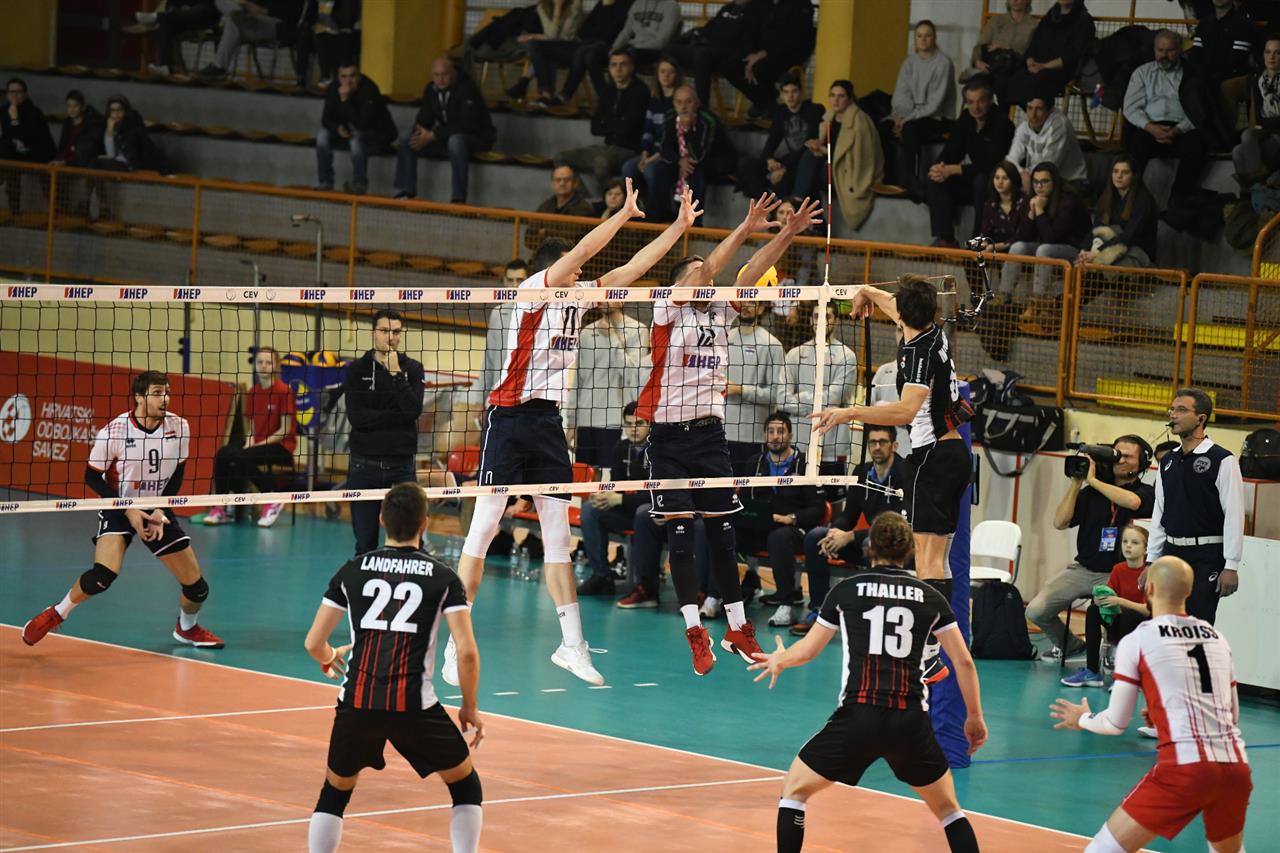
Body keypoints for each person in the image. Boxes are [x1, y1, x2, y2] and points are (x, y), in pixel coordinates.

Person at [447, 180, 699, 688]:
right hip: (508, 419)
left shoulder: (578, 299)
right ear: (554, 269)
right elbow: (583, 250)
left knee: (559, 538)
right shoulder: (533, 291)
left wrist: (678, 227)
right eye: (573, 268)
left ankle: (572, 646)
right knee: (483, 530)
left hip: (548, 425)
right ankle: (456, 644)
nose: (582, 272)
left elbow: (633, 270)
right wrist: (623, 215)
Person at [636, 192, 822, 675]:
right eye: (699, 273)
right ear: (683, 281)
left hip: (710, 436)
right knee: (680, 535)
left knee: (722, 532)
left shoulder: (720, 309)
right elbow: (712, 269)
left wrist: (786, 232)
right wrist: (742, 227)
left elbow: (749, 274)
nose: (709, 277)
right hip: (668, 438)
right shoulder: (667, 308)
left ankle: (738, 627)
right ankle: (695, 632)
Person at [749, 512, 987, 853]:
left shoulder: (845, 591)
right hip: (909, 720)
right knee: (950, 811)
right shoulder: (931, 597)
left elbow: (809, 650)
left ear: (869, 546)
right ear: (909, 549)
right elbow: (963, 662)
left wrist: (780, 659)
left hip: (859, 715)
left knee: (794, 792)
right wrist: (974, 717)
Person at [302, 482, 484, 853]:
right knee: (465, 787)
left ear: (382, 520)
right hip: (414, 707)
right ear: (425, 522)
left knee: (335, 793)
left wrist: (329, 655)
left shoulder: (353, 570)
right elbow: (466, 652)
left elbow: (313, 643)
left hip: (357, 702)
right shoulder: (443, 577)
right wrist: (469, 707)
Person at [810, 275, 974, 685]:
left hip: (933, 459)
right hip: (952, 456)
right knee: (939, 560)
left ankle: (930, 655)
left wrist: (849, 413)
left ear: (904, 314)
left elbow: (904, 412)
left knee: (929, 562)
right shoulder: (931, 330)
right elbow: (892, 304)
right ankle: (936, 651)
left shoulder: (917, 353)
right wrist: (867, 292)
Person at [1049, 557, 1252, 853]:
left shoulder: (1140, 639)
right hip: (1235, 768)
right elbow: (1230, 715)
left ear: (1150, 588)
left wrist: (1081, 718)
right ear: (1189, 591)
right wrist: (1165, 713)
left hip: (1185, 768)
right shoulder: (1217, 638)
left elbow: (1115, 723)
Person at [21, 371, 225, 650]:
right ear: (139, 397)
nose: (165, 398)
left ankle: (187, 629)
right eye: (157, 393)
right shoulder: (114, 432)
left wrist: (160, 509)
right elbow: (92, 477)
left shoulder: (180, 427)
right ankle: (58, 613)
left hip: (155, 506)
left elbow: (178, 472)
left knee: (197, 588)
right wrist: (127, 508)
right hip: (118, 505)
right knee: (102, 576)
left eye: (167, 392)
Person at [1026, 434, 1155, 660]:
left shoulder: (1145, 492)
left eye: (1128, 456)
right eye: (1117, 455)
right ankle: (1071, 645)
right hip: (1083, 569)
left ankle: (1113, 653)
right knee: (1036, 610)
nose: (1120, 460)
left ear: (1141, 463)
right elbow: (1060, 522)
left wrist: (1093, 480)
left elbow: (1133, 502)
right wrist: (1077, 484)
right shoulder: (1090, 493)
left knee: (1107, 614)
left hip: (1118, 573)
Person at [792, 425, 913, 635]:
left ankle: (869, 613)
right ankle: (820, 609)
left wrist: (850, 536)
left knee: (871, 544)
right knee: (815, 538)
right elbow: (849, 515)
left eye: (882, 442)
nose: (877, 447)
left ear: (894, 445)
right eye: (873, 442)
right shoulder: (862, 472)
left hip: (896, 547)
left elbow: (897, 527)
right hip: (865, 541)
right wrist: (835, 532)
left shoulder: (905, 473)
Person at [1146, 388, 1244, 624]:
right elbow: (1160, 512)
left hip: (1206, 556)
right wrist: (1151, 560)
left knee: (1197, 624)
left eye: (1181, 410)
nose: (1173, 415)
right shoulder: (1167, 460)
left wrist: (1231, 565)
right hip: (1170, 552)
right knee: (1163, 622)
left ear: (1201, 418)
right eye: (1172, 409)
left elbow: (1234, 514)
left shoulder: (1223, 460)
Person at [343, 309, 426, 556]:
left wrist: (396, 374)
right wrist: (396, 416)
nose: (391, 337)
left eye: (396, 332)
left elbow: (413, 411)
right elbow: (356, 418)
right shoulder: (357, 369)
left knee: (409, 543)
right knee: (365, 545)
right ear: (373, 333)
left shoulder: (413, 368)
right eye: (384, 331)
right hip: (364, 466)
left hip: (401, 467)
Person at [734, 411, 826, 629]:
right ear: (764, 435)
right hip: (759, 528)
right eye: (771, 432)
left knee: (778, 537)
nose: (775, 436)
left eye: (781, 431)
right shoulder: (755, 462)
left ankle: (786, 604)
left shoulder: (806, 464)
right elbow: (744, 500)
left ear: (790, 435)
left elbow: (818, 509)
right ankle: (719, 595)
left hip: (794, 531)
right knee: (724, 531)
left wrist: (791, 518)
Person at [204, 346, 296, 528]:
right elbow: (252, 426)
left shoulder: (283, 391)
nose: (264, 366)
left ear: (276, 366)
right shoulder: (253, 392)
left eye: (268, 362)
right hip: (258, 444)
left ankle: (272, 497)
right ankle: (220, 507)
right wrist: (250, 440)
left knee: (241, 458)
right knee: (223, 454)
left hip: (281, 446)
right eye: (260, 362)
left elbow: (285, 430)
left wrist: (258, 444)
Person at [999, 161, 1091, 332]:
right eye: (1035, 182)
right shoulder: (1033, 199)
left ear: (1054, 182)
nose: (1039, 186)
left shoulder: (1068, 201)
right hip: (1048, 247)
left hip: (1074, 251)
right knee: (1018, 247)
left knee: (1044, 249)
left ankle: (1037, 304)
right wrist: (1031, 214)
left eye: (1044, 181)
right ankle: (1004, 298)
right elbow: (1022, 236)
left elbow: (1051, 238)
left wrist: (1040, 211)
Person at [1122, 30, 1211, 204]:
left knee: (1197, 147)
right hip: (1149, 128)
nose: (1164, 55)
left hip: (1180, 130)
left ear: (1180, 50)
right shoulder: (1141, 73)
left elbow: (1199, 111)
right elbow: (1131, 107)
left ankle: (1178, 201)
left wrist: (1177, 130)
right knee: (1134, 147)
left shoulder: (1192, 74)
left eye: (1170, 50)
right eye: (1160, 50)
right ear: (1154, 50)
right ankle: (1130, 201)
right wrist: (1150, 128)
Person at [924, 79, 1015, 248]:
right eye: (971, 102)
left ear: (990, 101)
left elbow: (992, 163)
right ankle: (947, 239)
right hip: (972, 180)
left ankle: (978, 241)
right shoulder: (966, 119)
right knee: (935, 178)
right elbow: (951, 150)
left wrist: (956, 169)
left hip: (997, 183)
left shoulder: (1003, 123)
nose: (975, 107)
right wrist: (939, 167)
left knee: (982, 180)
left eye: (980, 101)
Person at [393, 57, 495, 204]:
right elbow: (424, 118)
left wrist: (434, 135)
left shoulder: (468, 89)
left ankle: (458, 198)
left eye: (444, 74)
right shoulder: (431, 89)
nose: (440, 79)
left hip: (476, 138)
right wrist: (420, 134)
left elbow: (466, 124)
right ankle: (406, 191)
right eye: (436, 75)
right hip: (445, 137)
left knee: (456, 141)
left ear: (452, 73)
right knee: (406, 139)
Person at [1062, 524, 1151, 687]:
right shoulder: (1118, 569)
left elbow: (1148, 610)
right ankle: (1092, 671)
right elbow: (1110, 597)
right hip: (1119, 623)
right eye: (1125, 541)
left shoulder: (1149, 573)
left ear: (1146, 549)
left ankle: (1125, 677)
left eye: (1134, 542)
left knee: (1129, 614)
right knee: (1093, 610)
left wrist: (1120, 601)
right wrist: (1100, 600)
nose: (1128, 546)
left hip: (1141, 628)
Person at [566, 296, 649, 467]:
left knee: (612, 475)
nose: (603, 300)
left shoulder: (637, 330)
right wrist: (572, 422)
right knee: (586, 477)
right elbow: (578, 381)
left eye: (609, 295)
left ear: (622, 300)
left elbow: (631, 374)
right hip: (586, 420)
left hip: (616, 421)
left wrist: (612, 337)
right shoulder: (586, 332)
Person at [576, 402, 649, 596]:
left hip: (650, 514)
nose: (633, 429)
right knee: (590, 509)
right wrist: (604, 495)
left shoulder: (659, 451)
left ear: (650, 424)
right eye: (628, 424)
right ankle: (602, 576)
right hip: (626, 511)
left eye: (639, 424)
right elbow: (617, 485)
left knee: (643, 514)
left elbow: (656, 495)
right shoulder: (620, 448)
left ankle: (645, 585)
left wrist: (620, 500)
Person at [779, 302, 858, 482]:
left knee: (833, 498)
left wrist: (799, 398)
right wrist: (820, 403)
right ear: (810, 320)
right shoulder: (795, 354)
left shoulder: (847, 357)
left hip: (832, 447)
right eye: (816, 316)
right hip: (798, 446)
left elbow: (834, 399)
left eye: (827, 317)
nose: (821, 321)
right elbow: (782, 400)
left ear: (836, 321)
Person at [556, 48, 649, 197]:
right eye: (614, 65)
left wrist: (608, 123)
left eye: (623, 64)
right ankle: (583, 200)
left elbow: (627, 129)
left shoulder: (640, 91)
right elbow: (595, 127)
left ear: (631, 67)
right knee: (561, 157)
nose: (618, 69)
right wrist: (615, 124)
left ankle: (609, 202)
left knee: (601, 162)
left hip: (629, 149)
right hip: (608, 146)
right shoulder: (609, 90)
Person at [792, 80, 883, 230]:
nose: (836, 100)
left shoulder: (860, 121)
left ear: (850, 99)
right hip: (830, 169)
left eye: (841, 96)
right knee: (809, 161)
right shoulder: (829, 117)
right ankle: (808, 215)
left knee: (810, 173)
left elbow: (862, 159)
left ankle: (799, 206)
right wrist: (817, 145)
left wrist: (825, 151)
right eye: (832, 95)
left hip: (850, 174)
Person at [883, 20, 956, 193]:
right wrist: (898, 118)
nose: (923, 39)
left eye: (927, 35)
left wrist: (906, 120)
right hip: (910, 116)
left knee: (910, 129)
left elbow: (934, 105)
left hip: (937, 118)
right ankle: (889, 179)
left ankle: (910, 180)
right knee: (883, 127)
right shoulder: (909, 63)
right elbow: (900, 95)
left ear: (934, 38)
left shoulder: (943, 63)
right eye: (919, 36)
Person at [645, 84, 732, 220]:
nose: (683, 107)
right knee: (658, 170)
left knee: (696, 170)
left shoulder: (707, 120)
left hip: (713, 162)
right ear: (674, 103)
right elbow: (665, 149)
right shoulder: (670, 117)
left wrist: (688, 130)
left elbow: (700, 155)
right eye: (679, 102)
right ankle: (659, 218)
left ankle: (693, 221)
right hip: (681, 161)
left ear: (696, 103)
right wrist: (680, 161)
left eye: (688, 102)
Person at [527, 0, 632, 107]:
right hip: (583, 44)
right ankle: (546, 93)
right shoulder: (602, 3)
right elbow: (584, 31)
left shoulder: (626, 4)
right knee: (536, 45)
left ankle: (565, 96)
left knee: (586, 52)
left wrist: (607, 8)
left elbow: (611, 35)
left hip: (607, 48)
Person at [737, 73, 824, 201]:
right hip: (787, 161)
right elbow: (769, 146)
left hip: (805, 162)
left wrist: (784, 167)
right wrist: (769, 160)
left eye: (794, 91)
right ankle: (769, 206)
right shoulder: (781, 114)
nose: (790, 96)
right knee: (746, 165)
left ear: (801, 93)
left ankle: (779, 205)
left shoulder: (813, 110)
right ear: (781, 95)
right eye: (786, 92)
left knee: (781, 184)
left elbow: (808, 146)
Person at [725, 292, 786, 475]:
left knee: (749, 490)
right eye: (742, 300)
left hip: (753, 438)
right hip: (720, 435)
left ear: (761, 308)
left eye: (751, 301)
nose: (745, 305)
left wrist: (741, 390)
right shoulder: (723, 338)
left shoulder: (772, 345)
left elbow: (776, 395)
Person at [317, 61, 398, 195]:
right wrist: (337, 128)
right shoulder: (334, 88)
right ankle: (325, 182)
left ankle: (359, 184)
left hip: (377, 134)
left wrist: (346, 100)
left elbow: (362, 124)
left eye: (352, 76)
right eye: (343, 77)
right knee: (322, 135)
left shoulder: (369, 89)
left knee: (356, 137)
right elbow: (326, 119)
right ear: (338, 77)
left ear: (359, 76)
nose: (348, 81)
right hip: (348, 131)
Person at [662, 0, 753, 112]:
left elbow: (744, 38)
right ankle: (668, 102)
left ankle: (702, 110)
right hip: (705, 47)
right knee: (669, 49)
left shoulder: (755, 11)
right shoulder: (728, 8)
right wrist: (699, 35)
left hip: (727, 53)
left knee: (702, 56)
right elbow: (710, 26)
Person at [735, 0, 818, 119]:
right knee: (730, 65)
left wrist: (765, 53)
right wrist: (750, 55)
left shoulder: (801, 4)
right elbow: (748, 33)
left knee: (760, 67)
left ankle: (767, 106)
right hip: (758, 56)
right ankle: (763, 102)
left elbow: (796, 38)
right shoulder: (758, 4)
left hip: (788, 56)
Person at [1006, 0, 1095, 107]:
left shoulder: (1084, 20)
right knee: (1012, 79)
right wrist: (1030, 62)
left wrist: (1045, 66)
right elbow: (1035, 42)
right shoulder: (1049, 17)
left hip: (1062, 70)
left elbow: (1074, 54)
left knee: (1037, 82)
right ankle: (1025, 114)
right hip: (1038, 67)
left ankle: (1041, 114)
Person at [1077, 154, 1158, 269]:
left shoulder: (1143, 201)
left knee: (1100, 269)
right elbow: (1096, 230)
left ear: (1134, 176)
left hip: (1136, 252)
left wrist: (1096, 252)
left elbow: (1128, 237)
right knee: (1082, 264)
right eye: (1115, 171)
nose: (1119, 176)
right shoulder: (1106, 198)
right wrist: (1084, 249)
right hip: (1107, 249)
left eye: (1125, 172)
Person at [593, 0, 681, 100]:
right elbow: (626, 31)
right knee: (609, 55)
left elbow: (662, 41)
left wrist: (633, 47)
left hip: (655, 50)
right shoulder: (638, 4)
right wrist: (615, 48)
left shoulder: (671, 6)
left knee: (626, 57)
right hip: (635, 48)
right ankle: (609, 98)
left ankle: (627, 98)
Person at [1185, 0, 1256, 123]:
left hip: (1232, 75)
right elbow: (1196, 55)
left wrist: (1209, 76)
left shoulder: (1243, 24)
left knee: (1213, 87)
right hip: (1206, 76)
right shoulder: (1205, 23)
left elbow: (1236, 59)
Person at [619, 56, 681, 195]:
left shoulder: (679, 102)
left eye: (670, 72)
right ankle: (637, 204)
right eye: (662, 71)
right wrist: (644, 155)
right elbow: (648, 131)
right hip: (652, 152)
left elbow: (673, 140)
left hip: (669, 154)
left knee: (650, 171)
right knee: (628, 168)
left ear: (677, 75)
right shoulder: (654, 101)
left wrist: (650, 160)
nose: (666, 75)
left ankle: (654, 206)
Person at [502, 0, 587, 100]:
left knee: (542, 49)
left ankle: (527, 83)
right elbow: (551, 35)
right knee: (540, 48)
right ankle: (544, 93)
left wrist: (558, 7)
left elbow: (564, 36)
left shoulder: (575, 4)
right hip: (552, 48)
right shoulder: (542, 6)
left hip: (572, 49)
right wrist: (557, 9)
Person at [200, 0, 304, 79]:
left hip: (277, 24)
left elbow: (295, 14)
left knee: (233, 20)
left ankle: (219, 67)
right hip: (252, 20)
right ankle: (238, 15)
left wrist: (263, 11)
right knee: (224, 5)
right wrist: (247, 5)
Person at [1006, 96, 1088, 195]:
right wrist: (1022, 173)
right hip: (1035, 177)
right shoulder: (1024, 124)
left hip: (1069, 181)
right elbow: (1011, 160)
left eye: (1039, 109)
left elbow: (1047, 167)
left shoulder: (1059, 124)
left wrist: (1026, 176)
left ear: (1049, 110)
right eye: (1029, 108)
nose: (1033, 115)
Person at [962, 0, 1035, 103]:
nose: (1015, 0)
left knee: (1005, 83)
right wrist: (977, 61)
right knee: (976, 85)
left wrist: (1006, 48)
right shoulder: (996, 21)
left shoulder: (1033, 25)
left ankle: (1001, 111)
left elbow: (1032, 53)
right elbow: (980, 45)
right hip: (991, 66)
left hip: (1016, 68)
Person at [1, 77, 56, 214]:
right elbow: (7, 138)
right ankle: (14, 211)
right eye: (11, 92)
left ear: (25, 94)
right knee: (8, 159)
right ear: (7, 94)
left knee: (10, 161)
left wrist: (15, 119)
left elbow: (26, 138)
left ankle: (55, 212)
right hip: (11, 155)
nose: (14, 95)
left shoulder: (34, 112)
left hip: (35, 153)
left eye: (18, 92)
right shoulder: (2, 111)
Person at [1232, 35, 1280, 188]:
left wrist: (1266, 125)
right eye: (1268, 52)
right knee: (1238, 148)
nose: (1271, 57)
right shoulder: (1258, 79)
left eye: (1277, 53)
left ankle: (1256, 187)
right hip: (1267, 130)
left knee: (1241, 148)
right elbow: (1259, 117)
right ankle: (1255, 188)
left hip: (1277, 134)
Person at [138, 0, 220, 76]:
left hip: (209, 12)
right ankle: (165, 66)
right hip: (188, 16)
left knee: (202, 8)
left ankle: (158, 17)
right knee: (166, 23)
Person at [976, 160, 1025, 254]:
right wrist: (983, 245)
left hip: (1017, 247)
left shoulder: (1024, 202)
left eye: (1005, 178)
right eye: (997, 178)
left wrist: (996, 246)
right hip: (995, 247)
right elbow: (985, 232)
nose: (1000, 182)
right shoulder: (990, 204)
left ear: (1013, 180)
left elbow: (1022, 234)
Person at [52, 90, 104, 167]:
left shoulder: (92, 125)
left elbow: (86, 152)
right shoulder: (67, 123)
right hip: (64, 162)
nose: (71, 109)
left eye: (75, 106)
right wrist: (57, 160)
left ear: (82, 107)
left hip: (82, 166)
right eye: (69, 106)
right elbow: (64, 147)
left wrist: (65, 162)